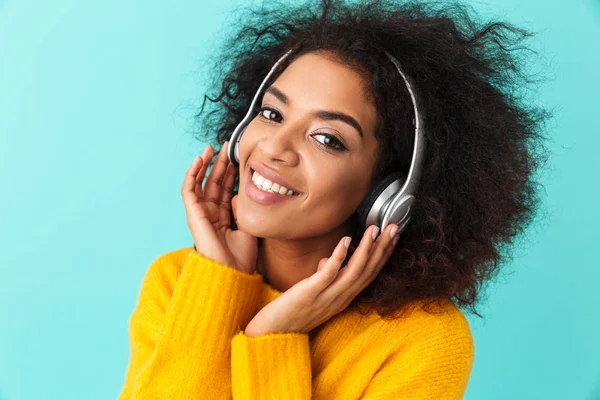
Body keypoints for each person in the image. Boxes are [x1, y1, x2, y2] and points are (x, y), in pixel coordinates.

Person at [118, 0, 552, 398]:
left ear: (389, 193)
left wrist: (273, 338)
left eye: (327, 138)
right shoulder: (177, 283)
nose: (274, 148)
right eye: (272, 114)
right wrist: (217, 286)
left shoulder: (421, 340)